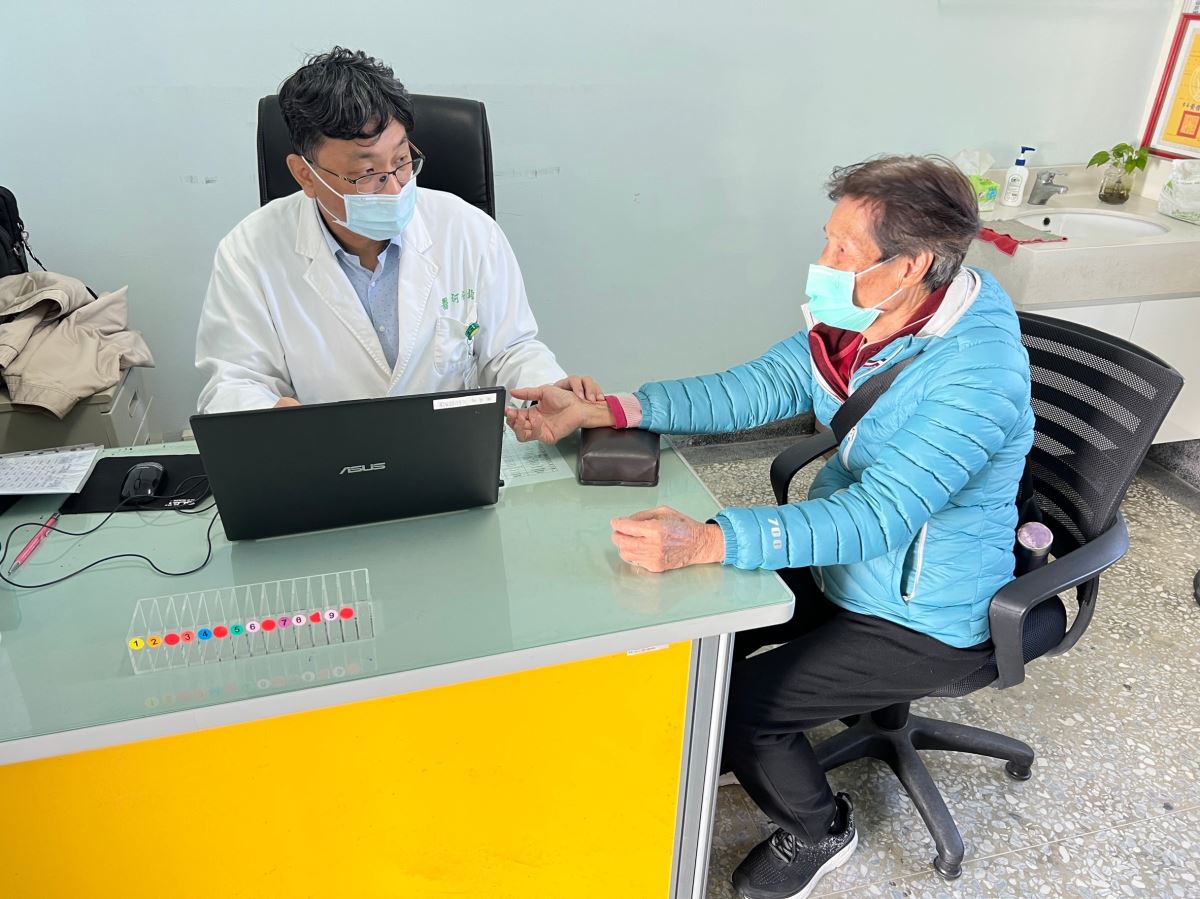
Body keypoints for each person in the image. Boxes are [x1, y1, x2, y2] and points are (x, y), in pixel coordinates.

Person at [506, 156, 1034, 899]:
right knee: (693, 631)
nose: (824, 262)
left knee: (744, 704)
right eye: (828, 239)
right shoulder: (872, 315)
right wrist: (608, 408)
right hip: (846, 563)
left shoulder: (976, 373)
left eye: (844, 249)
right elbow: (755, 387)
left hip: (923, 609)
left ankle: (820, 830)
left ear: (911, 265)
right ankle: (718, 744)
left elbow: (878, 517)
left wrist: (710, 538)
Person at [195, 47, 598, 413]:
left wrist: (547, 390)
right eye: (367, 174)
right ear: (305, 175)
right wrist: (266, 413)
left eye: (402, 160)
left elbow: (509, 350)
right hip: (328, 460)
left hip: (449, 451)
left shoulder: (468, 230)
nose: (394, 189)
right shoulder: (249, 253)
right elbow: (234, 381)